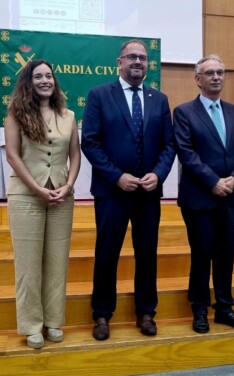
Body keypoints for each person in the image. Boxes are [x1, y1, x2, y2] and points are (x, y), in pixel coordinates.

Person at [81, 39, 175, 340]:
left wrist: (158, 175)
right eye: (132, 57)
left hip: (148, 193)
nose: (138, 62)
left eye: (143, 58)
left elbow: (169, 145)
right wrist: (116, 176)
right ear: (119, 62)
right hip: (112, 192)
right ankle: (102, 315)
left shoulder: (159, 99)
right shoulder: (99, 95)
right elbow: (90, 142)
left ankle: (146, 312)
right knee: (107, 253)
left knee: (147, 254)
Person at [5, 59, 81, 349]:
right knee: (28, 264)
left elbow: (76, 155)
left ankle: (53, 321)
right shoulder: (16, 113)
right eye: (38, 76)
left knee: (57, 262)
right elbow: (13, 156)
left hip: (61, 196)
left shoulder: (68, 115)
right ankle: (31, 324)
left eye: (49, 75)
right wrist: (37, 188)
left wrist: (69, 185)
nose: (45, 80)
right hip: (26, 196)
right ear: (29, 81)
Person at [173, 54, 234, 334]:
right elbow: (186, 153)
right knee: (202, 253)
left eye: (220, 72)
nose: (216, 77)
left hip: (230, 195)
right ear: (198, 80)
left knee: (225, 253)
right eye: (210, 73)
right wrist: (213, 182)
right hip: (200, 197)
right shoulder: (184, 112)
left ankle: (225, 307)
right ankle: (199, 308)